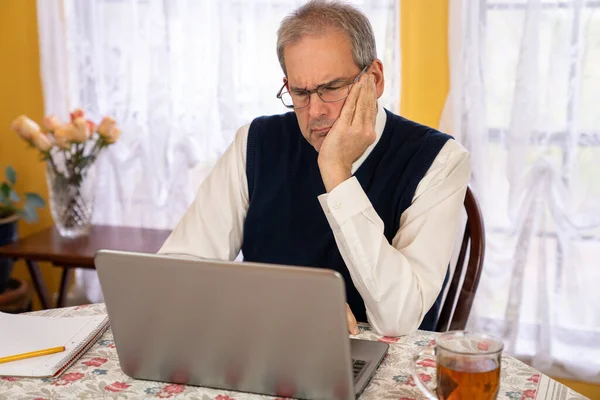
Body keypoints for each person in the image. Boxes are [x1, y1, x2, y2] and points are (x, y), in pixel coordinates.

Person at [158, 0, 470, 337]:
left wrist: (337, 172)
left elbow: (399, 320)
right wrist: (289, 304)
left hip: (384, 364)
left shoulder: (440, 159)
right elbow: (178, 272)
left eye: (332, 88)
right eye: (301, 92)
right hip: (269, 345)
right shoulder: (256, 142)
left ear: (375, 79)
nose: (315, 111)